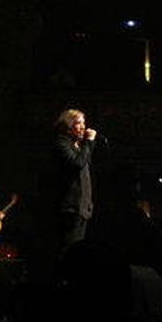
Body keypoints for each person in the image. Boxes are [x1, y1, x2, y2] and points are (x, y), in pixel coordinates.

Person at [52, 108, 97, 254]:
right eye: (78, 123)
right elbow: (76, 164)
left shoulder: (78, 146)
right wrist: (89, 142)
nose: (83, 126)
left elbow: (84, 163)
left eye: (83, 122)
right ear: (68, 126)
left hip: (82, 208)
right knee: (69, 250)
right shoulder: (61, 144)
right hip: (70, 209)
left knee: (79, 251)